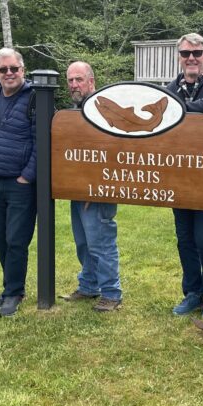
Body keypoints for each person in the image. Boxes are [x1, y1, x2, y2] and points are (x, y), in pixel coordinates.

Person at [165, 32, 203, 317]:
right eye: (186, 53)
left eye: (197, 53)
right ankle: (193, 292)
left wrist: (178, 109)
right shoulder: (171, 86)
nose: (191, 58)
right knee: (185, 237)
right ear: (179, 57)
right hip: (179, 175)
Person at [61, 61, 123, 312]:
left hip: (99, 189)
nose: (74, 85)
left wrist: (96, 183)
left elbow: (114, 150)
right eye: (71, 81)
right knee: (83, 241)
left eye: (79, 79)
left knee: (101, 241)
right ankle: (88, 286)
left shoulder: (102, 110)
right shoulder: (74, 111)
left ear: (91, 82)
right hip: (77, 188)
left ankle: (111, 292)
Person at [0, 47, 37, 317]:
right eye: (3, 69)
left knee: (17, 239)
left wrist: (27, 176)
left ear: (22, 70)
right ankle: (9, 287)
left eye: (14, 69)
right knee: (0, 237)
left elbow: (42, 142)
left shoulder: (34, 98)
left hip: (21, 183)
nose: (9, 74)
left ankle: (14, 293)